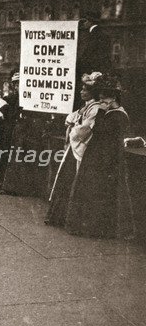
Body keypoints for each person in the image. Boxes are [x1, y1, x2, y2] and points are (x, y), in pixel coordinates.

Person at [64, 74, 136, 238]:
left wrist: (102, 113)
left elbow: (100, 131)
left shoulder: (118, 115)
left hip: (108, 158)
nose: (101, 103)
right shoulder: (109, 113)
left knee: (99, 191)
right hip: (99, 155)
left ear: (112, 99)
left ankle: (98, 228)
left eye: (104, 100)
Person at [46, 73, 102, 227]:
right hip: (74, 147)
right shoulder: (86, 106)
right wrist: (72, 122)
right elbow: (73, 118)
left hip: (81, 147)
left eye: (85, 90)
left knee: (72, 179)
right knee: (65, 179)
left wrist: (73, 128)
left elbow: (84, 129)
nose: (81, 92)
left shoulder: (95, 108)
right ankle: (58, 216)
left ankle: (66, 218)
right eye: (82, 89)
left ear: (92, 93)